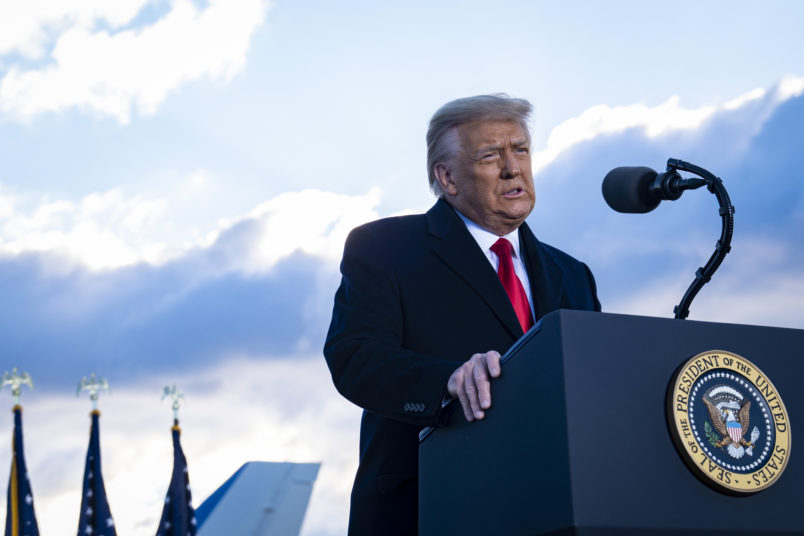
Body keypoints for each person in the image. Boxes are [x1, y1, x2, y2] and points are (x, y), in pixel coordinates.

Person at [324, 94, 601, 535]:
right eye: (491, 155)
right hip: (426, 508)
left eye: (521, 150)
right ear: (447, 177)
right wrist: (447, 381)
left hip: (553, 510)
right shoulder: (385, 248)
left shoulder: (573, 274)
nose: (513, 168)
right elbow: (354, 357)